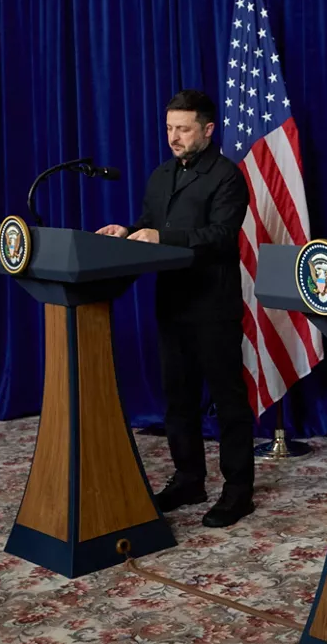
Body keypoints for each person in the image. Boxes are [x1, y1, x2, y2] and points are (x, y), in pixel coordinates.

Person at [96, 89, 255, 528]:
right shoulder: (161, 174)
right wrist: (127, 230)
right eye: (169, 128)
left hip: (213, 304)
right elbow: (152, 225)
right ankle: (189, 478)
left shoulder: (227, 176)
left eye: (183, 129)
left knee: (228, 400)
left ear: (207, 129)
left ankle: (238, 489)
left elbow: (221, 235)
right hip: (171, 301)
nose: (174, 137)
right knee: (178, 400)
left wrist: (162, 239)